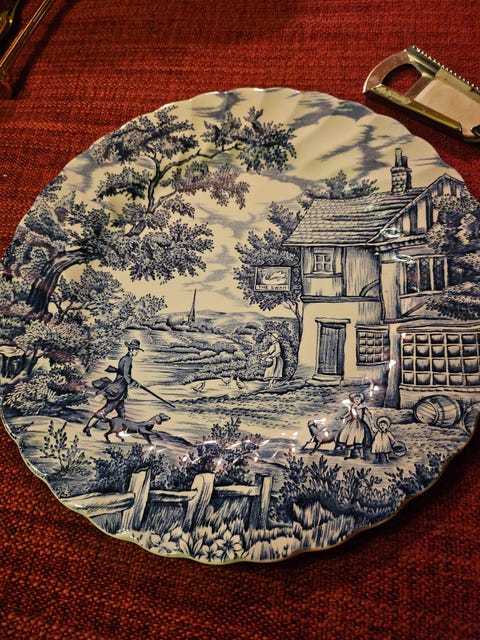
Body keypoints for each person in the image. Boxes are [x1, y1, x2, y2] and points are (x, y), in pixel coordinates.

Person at [83, 338, 144, 436]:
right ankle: (88, 427)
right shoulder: (127, 360)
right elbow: (126, 376)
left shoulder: (125, 359)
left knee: (121, 413)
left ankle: (120, 432)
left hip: (121, 391)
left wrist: (128, 387)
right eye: (136, 350)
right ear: (131, 349)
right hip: (117, 390)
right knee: (106, 410)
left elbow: (124, 376)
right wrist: (135, 383)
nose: (137, 352)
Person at [336, 392, 372, 459]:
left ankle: (361, 455)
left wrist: (370, 420)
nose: (356, 400)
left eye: (358, 399)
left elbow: (368, 415)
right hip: (352, 424)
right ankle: (348, 455)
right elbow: (348, 414)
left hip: (360, 425)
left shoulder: (363, 408)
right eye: (355, 399)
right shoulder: (352, 407)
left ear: (361, 400)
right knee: (350, 438)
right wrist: (343, 417)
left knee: (359, 439)